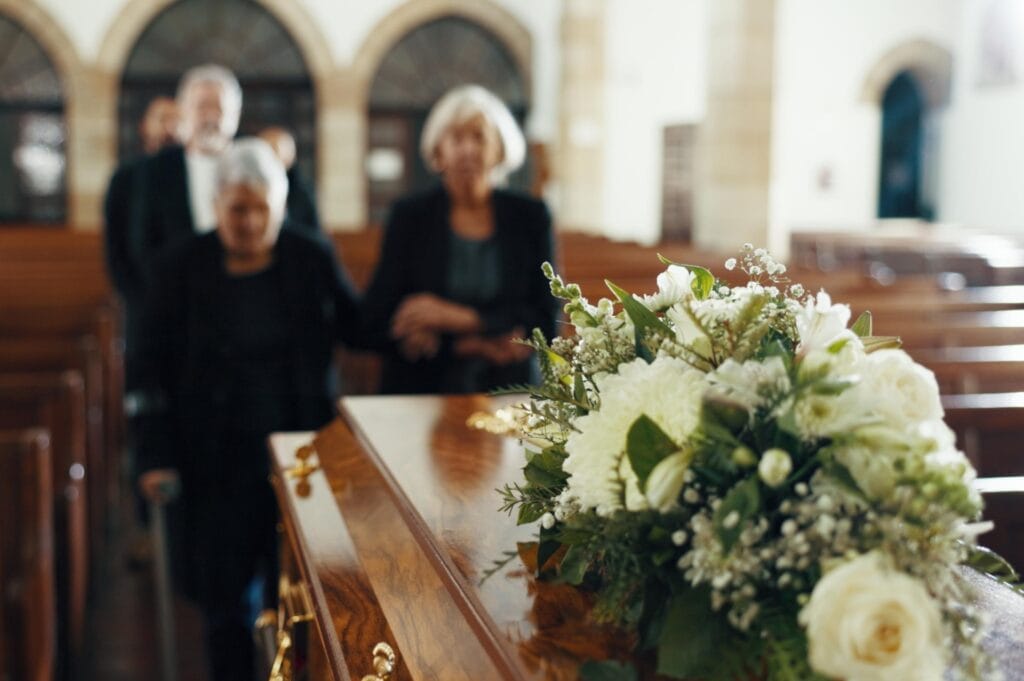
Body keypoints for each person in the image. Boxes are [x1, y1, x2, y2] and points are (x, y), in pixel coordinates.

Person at [134, 138, 361, 681]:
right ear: (215, 207)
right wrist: (153, 456)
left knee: (300, 595)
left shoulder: (310, 255)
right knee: (224, 600)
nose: (252, 221)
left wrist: (435, 321)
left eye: (263, 208)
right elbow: (146, 370)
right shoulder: (178, 267)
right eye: (238, 208)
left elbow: (361, 324)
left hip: (298, 456)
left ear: (281, 207)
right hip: (212, 455)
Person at [361, 84, 558, 394]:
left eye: (479, 137)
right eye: (456, 138)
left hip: (510, 385)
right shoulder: (409, 216)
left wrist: (455, 318)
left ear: (499, 150)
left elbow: (545, 318)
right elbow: (377, 316)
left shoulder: (530, 216)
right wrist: (473, 343)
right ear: (438, 152)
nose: (468, 149)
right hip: (424, 383)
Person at [258, 125, 322, 235]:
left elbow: (314, 232)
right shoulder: (245, 188)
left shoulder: (303, 192)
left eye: (274, 152)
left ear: (290, 157)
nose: (269, 159)